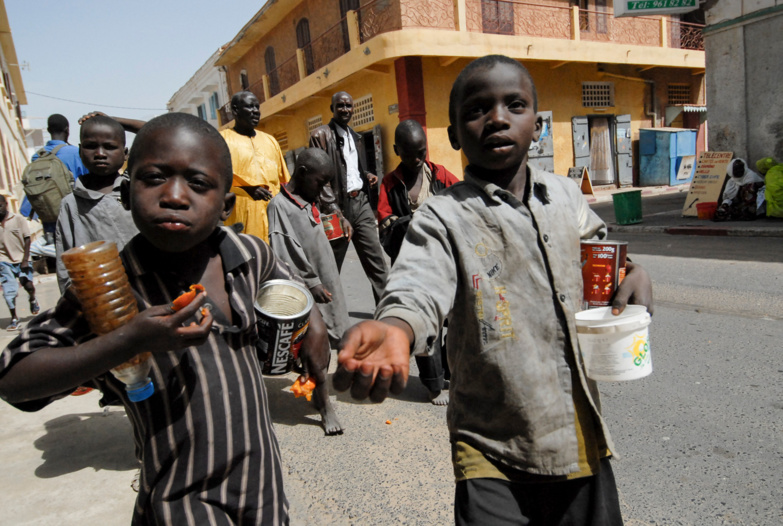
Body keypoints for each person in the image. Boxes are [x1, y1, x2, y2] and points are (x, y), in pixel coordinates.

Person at [332, 55, 654, 525]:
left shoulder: (564, 196)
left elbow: (600, 255)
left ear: (537, 125)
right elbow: (417, 285)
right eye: (478, 109)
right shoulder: (442, 217)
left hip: (574, 435)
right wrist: (397, 327)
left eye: (515, 105)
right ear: (454, 133)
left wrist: (633, 269)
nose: (498, 118)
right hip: (488, 452)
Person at [0, 113, 330, 524]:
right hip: (182, 501)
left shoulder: (249, 256)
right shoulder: (110, 292)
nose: (174, 195)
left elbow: (291, 289)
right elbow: (15, 378)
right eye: (154, 177)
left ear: (225, 205)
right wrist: (128, 341)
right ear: (126, 193)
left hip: (262, 486)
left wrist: (314, 325)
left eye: (198, 183)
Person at [377, 119, 459, 405]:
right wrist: (415, 220)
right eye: (410, 153)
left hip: (445, 260)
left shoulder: (439, 174)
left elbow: (462, 199)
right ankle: (434, 385)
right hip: (412, 264)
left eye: (421, 152)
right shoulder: (390, 183)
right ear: (397, 150)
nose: (416, 159)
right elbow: (386, 225)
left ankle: (451, 371)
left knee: (456, 320)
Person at [267, 147, 347, 435]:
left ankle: (309, 389)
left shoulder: (308, 199)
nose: (323, 189)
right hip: (305, 288)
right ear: (301, 173)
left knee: (325, 349)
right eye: (320, 182)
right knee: (314, 346)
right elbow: (285, 251)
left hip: (325, 281)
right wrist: (311, 282)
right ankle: (325, 407)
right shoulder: (280, 205)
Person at [309, 91, 388, 304]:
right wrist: (335, 211)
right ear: (332, 109)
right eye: (340, 106)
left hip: (360, 203)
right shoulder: (320, 136)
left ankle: (388, 312)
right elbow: (321, 178)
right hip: (334, 209)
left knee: (377, 261)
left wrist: (366, 175)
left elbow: (350, 169)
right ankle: (328, 319)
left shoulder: (355, 136)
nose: (345, 110)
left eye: (348, 106)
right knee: (331, 264)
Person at [55, 115, 137, 293]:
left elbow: (156, 134)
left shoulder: (136, 191)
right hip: (103, 298)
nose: (100, 153)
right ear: (80, 151)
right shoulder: (72, 204)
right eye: (91, 146)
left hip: (147, 290)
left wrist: (113, 120)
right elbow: (65, 266)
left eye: (109, 147)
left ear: (125, 153)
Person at [220, 91, 289, 243]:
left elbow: (284, 180)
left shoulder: (270, 141)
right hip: (242, 218)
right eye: (250, 107)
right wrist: (246, 189)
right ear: (236, 111)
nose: (256, 111)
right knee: (249, 259)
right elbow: (215, 177)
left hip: (275, 218)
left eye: (257, 107)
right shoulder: (222, 140)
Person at [21, 114, 88, 245]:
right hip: (77, 219)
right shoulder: (75, 153)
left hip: (50, 223)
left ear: (49, 130)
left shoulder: (37, 157)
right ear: (67, 130)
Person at [0, 194, 39, 331]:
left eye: (0, 205)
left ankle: (32, 298)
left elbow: (27, 239)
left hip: (22, 258)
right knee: (8, 291)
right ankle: (14, 318)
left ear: (6, 204)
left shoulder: (18, 219)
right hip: (4, 261)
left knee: (28, 285)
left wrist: (25, 260)